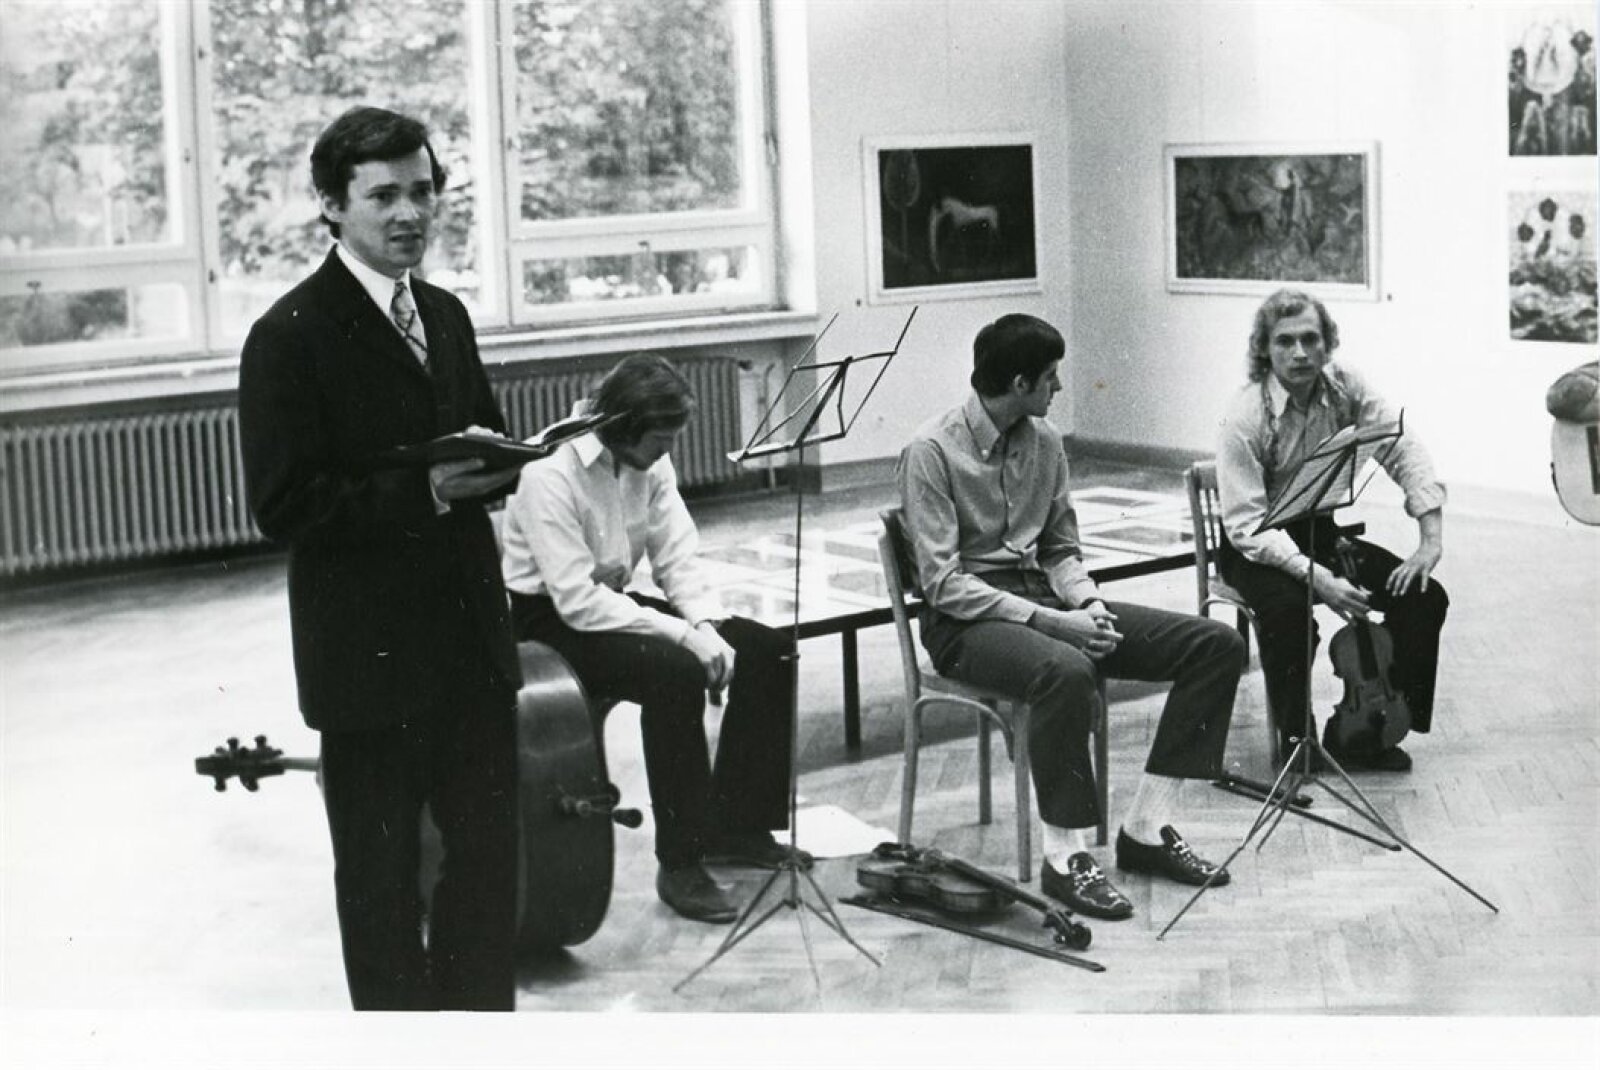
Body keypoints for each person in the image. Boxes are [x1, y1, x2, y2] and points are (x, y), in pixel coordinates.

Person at [239, 106, 521, 1011]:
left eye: (424, 192)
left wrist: (504, 462)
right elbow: (286, 506)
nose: (411, 213)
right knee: (380, 883)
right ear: (331, 204)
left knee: (488, 866)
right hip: (369, 659)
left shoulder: (445, 313)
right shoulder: (289, 334)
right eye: (385, 196)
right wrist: (428, 491)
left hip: (470, 646)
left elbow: (478, 434)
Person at [897, 313, 1246, 922]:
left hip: (1049, 603)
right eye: (1051, 377)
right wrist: (1052, 623)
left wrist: (1088, 604)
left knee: (1214, 646)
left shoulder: (1046, 441)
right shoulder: (930, 450)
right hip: (963, 624)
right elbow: (943, 585)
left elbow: (1060, 549)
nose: (1058, 387)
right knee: (1066, 671)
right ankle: (1065, 858)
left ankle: (1145, 827)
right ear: (1019, 383)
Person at [500, 355, 805, 925]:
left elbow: (676, 559)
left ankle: (738, 827)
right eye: (661, 439)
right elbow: (576, 600)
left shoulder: (648, 461)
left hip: (611, 604)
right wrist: (685, 638)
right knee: (676, 673)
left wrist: (706, 626)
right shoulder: (548, 473)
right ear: (622, 427)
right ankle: (681, 863)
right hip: (550, 622)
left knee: (768, 650)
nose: (669, 450)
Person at [1215, 289, 1449, 773]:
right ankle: (1296, 742)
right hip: (1255, 545)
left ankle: (1373, 729)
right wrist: (1319, 579)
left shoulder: (1345, 387)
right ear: (1265, 350)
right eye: (1285, 342)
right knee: (1290, 616)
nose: (1300, 353)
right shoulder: (1244, 416)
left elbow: (1401, 446)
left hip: (1317, 531)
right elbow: (1247, 527)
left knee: (1424, 597)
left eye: (1310, 339)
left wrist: (1429, 540)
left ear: (1327, 343)